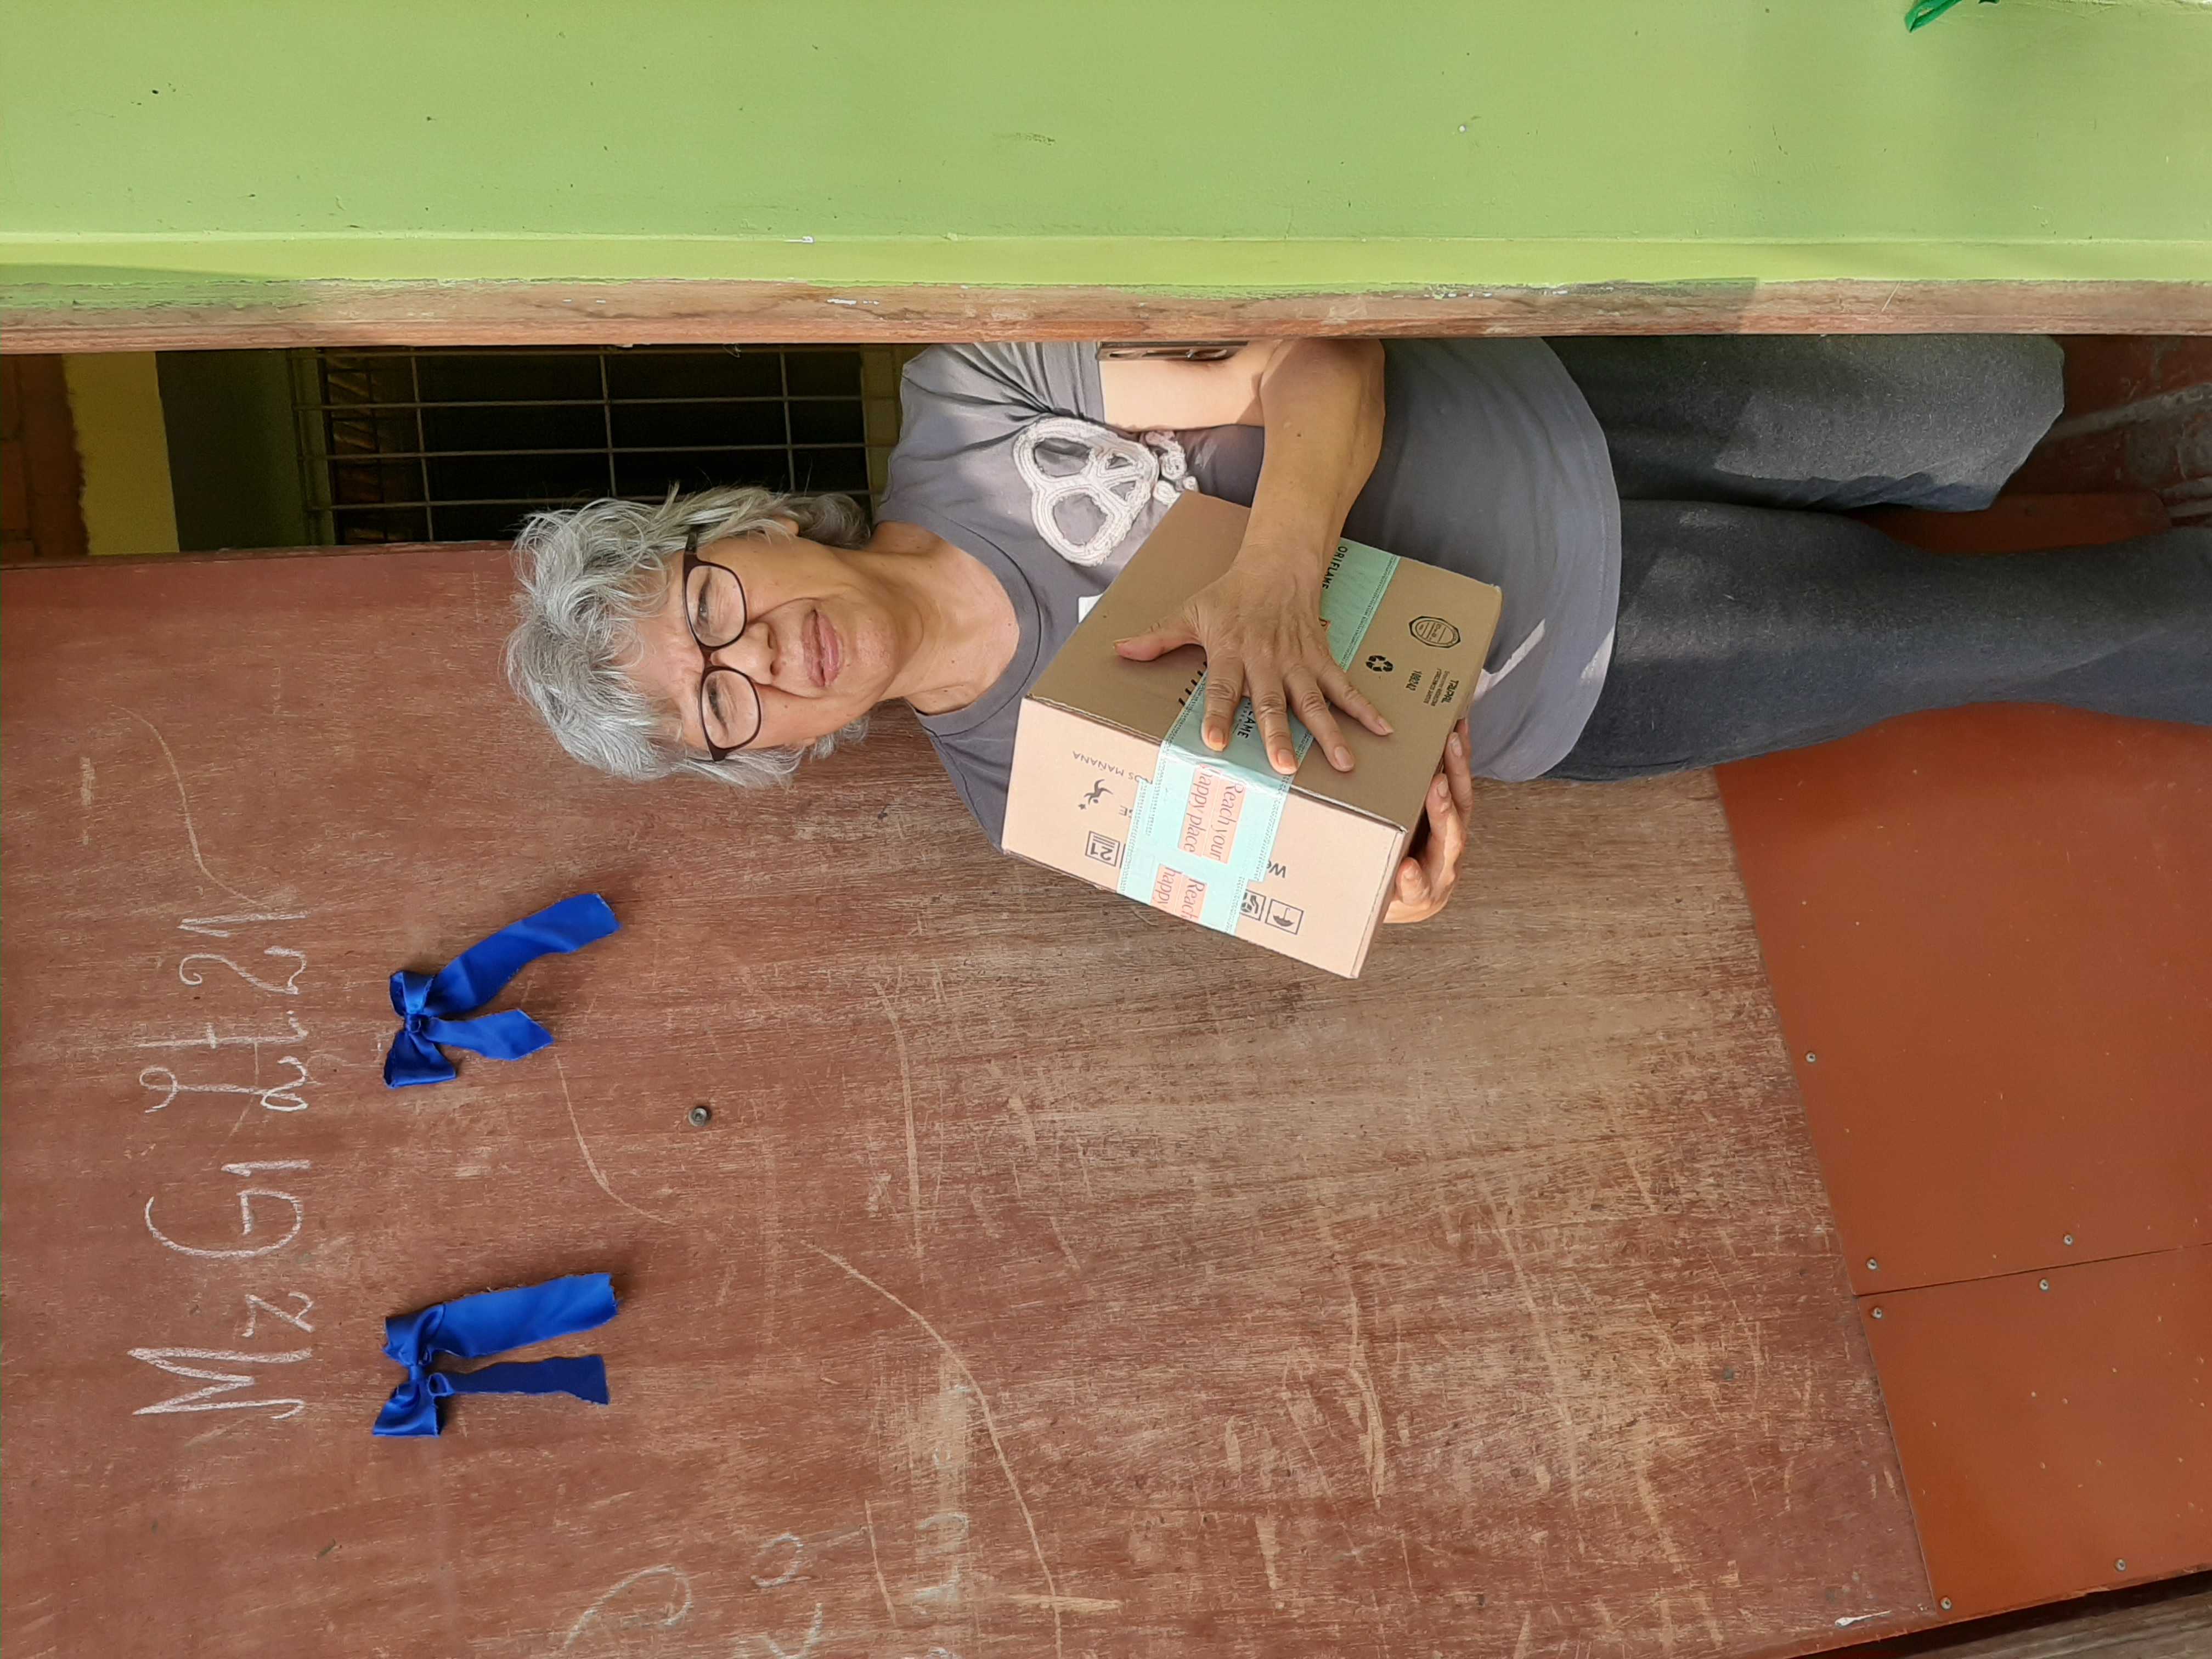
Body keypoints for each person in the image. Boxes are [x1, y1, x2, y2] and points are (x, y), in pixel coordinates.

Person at [506, 336, 2210, 924]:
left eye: (709, 606)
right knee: (2039, 630)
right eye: (718, 703)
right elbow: (1318, 847)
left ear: (738, 527)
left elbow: (1319, 357)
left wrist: (1276, 570)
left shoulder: (976, 402)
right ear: (772, 755)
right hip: (1597, 665)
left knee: (1997, 394)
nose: (754, 659)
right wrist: (1384, 879)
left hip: (1574, 418)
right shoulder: (1022, 782)